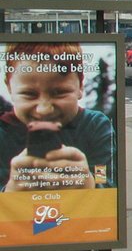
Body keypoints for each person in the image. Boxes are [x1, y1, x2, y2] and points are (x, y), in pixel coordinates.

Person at [0, 42, 114, 192]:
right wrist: (9, 191)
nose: (44, 109)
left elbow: (104, 177)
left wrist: (91, 182)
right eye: (29, 94)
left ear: (80, 86)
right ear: (9, 88)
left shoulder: (96, 125)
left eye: (60, 93)